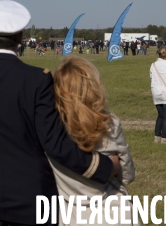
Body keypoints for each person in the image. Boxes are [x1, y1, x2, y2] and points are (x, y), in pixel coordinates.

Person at [0, 0, 119, 225]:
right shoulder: (37, 79)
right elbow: (56, 146)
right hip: (35, 204)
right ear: (20, 37)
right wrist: (105, 166)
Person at [50, 56, 137, 225]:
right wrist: (112, 165)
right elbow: (128, 175)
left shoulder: (51, 130)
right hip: (112, 212)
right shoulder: (109, 123)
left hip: (70, 214)